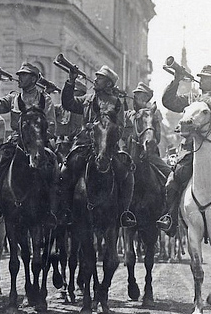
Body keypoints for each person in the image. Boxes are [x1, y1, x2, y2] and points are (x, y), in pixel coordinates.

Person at [157, 64, 211, 237]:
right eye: (202, 77)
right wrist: (176, 79)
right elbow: (168, 101)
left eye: (207, 77)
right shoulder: (191, 99)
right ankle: (170, 218)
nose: (203, 80)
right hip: (190, 150)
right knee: (172, 181)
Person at [56, 64, 134, 229]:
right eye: (97, 77)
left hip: (108, 148)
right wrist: (71, 81)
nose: (96, 79)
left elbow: (120, 127)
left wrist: (106, 131)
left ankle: (123, 214)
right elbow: (68, 103)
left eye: (100, 78)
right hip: (84, 144)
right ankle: (65, 210)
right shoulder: (88, 99)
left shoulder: (116, 103)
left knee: (127, 175)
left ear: (108, 84)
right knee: (65, 171)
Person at [124, 82, 169, 180]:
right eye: (136, 96)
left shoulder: (152, 115)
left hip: (150, 154)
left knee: (170, 175)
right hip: (127, 153)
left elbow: (157, 137)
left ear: (146, 99)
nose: (137, 99)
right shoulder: (129, 115)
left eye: (141, 97)